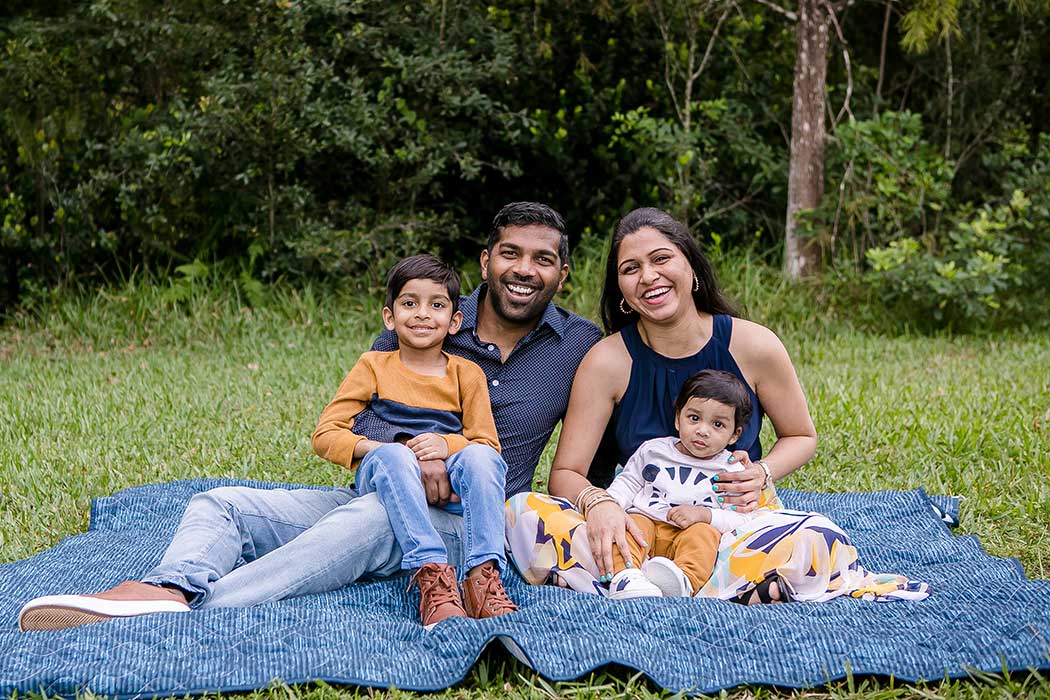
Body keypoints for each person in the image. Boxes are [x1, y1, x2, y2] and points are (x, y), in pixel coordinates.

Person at [18, 202, 602, 632]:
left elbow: (641, 409)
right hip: (390, 486)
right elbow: (357, 426)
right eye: (511, 253)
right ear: (485, 261)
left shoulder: (580, 344)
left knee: (363, 525)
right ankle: (167, 585)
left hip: (468, 522)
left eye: (543, 259)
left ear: (562, 274)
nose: (525, 269)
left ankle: (206, 608)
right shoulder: (420, 314)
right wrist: (409, 452)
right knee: (222, 503)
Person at [506, 207, 929, 604]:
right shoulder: (606, 360)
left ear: (690, 267)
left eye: (661, 260)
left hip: (729, 528)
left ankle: (639, 582)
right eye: (630, 269)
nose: (648, 277)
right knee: (523, 512)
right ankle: (706, 586)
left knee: (818, 536)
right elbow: (566, 474)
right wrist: (601, 506)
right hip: (637, 527)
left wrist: (761, 474)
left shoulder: (754, 345)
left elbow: (801, 436)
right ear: (621, 290)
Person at [311, 253, 514, 629]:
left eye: (436, 305)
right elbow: (326, 433)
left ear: (454, 321)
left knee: (481, 460)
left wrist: (446, 445)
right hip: (386, 474)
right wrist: (379, 449)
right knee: (395, 458)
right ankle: (432, 575)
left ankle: (482, 577)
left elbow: (487, 444)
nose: (422, 314)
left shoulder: (466, 374)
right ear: (389, 317)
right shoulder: (373, 365)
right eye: (410, 303)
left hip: (448, 491)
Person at [600, 369, 783, 600]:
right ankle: (626, 576)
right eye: (694, 418)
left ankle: (683, 582)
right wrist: (611, 503)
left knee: (703, 536)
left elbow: (743, 519)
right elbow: (628, 481)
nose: (702, 431)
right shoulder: (654, 450)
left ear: (734, 435)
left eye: (717, 424)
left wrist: (705, 515)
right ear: (678, 418)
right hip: (647, 521)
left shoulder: (731, 470)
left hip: (689, 534)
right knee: (628, 526)